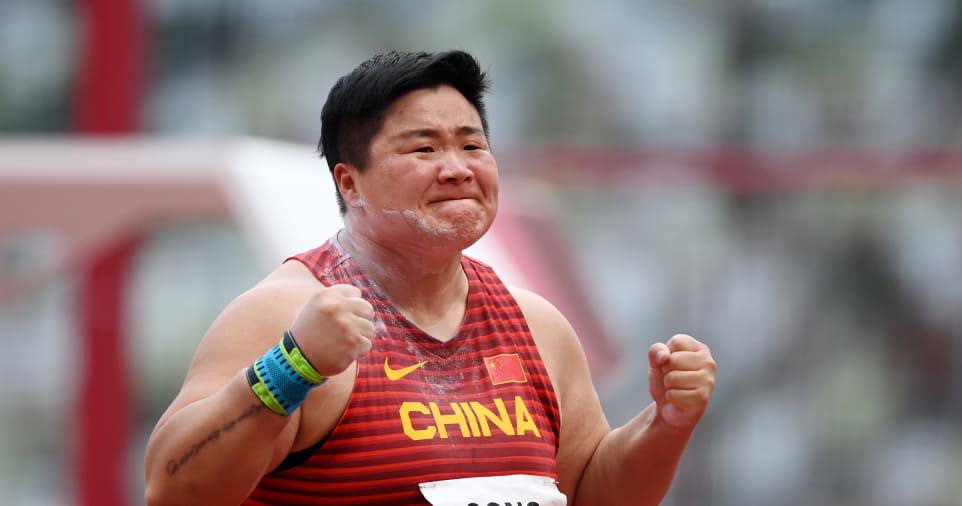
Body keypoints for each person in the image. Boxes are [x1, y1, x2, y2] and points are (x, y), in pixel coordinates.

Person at [144, 49, 716, 506]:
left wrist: (666, 424)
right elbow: (172, 491)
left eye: (472, 145)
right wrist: (292, 365)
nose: (457, 168)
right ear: (351, 184)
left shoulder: (537, 326)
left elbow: (590, 494)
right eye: (424, 148)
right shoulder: (284, 314)